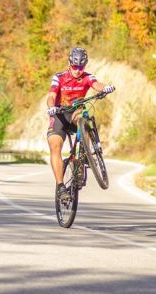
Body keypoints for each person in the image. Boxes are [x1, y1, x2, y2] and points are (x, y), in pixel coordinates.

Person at [46, 47, 115, 201]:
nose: (77, 70)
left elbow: (97, 85)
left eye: (81, 67)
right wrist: (51, 107)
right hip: (59, 114)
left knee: (83, 117)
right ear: (69, 63)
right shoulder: (60, 77)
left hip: (76, 112)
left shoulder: (87, 77)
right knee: (54, 144)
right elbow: (51, 96)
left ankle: (83, 154)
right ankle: (60, 186)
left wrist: (105, 88)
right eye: (74, 66)